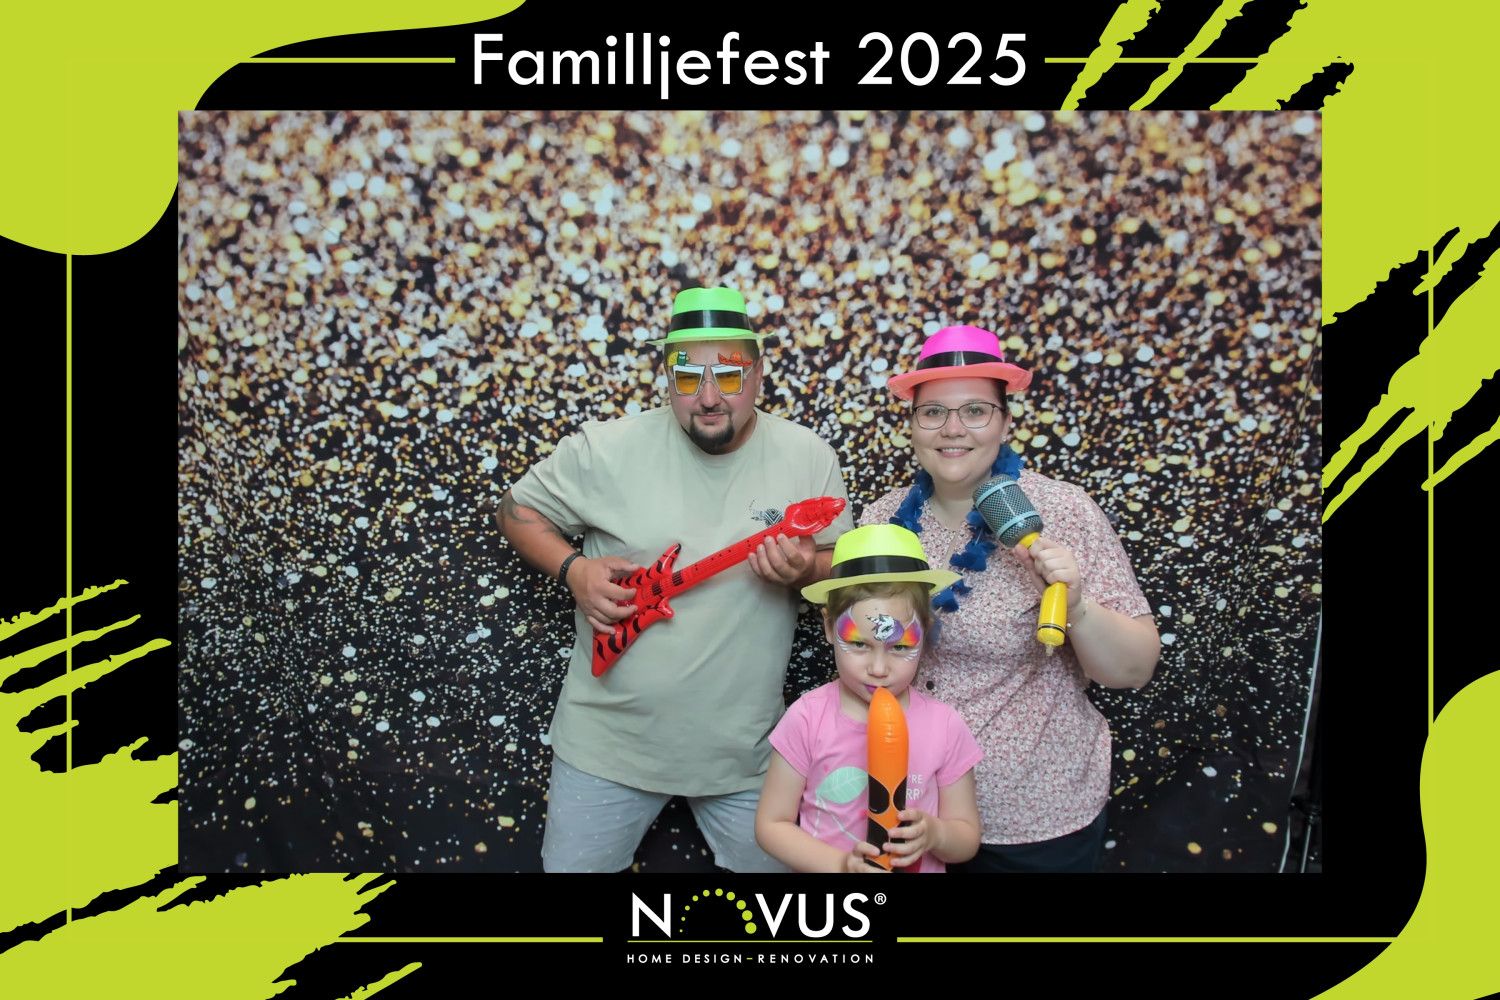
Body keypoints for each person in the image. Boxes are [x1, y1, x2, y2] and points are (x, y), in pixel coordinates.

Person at [497, 287, 855, 872]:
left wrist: (805, 570)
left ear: (759, 372)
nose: (709, 398)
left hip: (746, 755)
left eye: (729, 376)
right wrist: (574, 569)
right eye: (688, 378)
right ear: (666, 376)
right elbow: (515, 510)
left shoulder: (808, 456)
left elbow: (841, 563)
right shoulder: (606, 448)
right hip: (605, 748)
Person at [858, 325, 1161, 873]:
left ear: (1005, 421)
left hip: (1030, 813)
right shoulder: (883, 519)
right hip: (911, 807)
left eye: (976, 411)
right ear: (912, 425)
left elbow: (1133, 669)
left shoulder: (1064, 512)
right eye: (932, 412)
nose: (953, 429)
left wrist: (1077, 607)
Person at [756, 524, 983, 873]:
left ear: (924, 631)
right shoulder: (807, 718)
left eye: (900, 647)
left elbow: (966, 839)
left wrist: (936, 834)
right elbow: (771, 826)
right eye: (859, 644)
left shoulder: (945, 725)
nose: (879, 669)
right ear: (829, 628)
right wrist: (842, 865)